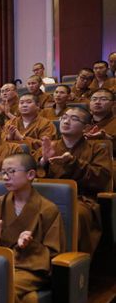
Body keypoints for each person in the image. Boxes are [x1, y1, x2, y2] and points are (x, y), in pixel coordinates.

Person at [0, 154, 65, 303]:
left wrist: (30, 244)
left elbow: (54, 253)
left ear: (31, 175)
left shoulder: (48, 209)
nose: (5, 177)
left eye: (11, 171)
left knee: (3, 285)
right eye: (3, 172)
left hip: (31, 269)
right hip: (3, 264)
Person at [35, 107, 111, 254]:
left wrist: (74, 163)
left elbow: (101, 178)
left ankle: (68, 261)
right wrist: (44, 161)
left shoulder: (97, 149)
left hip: (80, 199)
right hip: (46, 196)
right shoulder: (50, 147)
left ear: (86, 127)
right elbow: (30, 174)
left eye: (74, 119)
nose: (66, 121)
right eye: (64, 117)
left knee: (75, 214)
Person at [85, 89, 116, 156]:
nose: (97, 102)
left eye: (103, 99)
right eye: (94, 99)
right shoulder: (80, 122)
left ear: (113, 104)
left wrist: (106, 138)